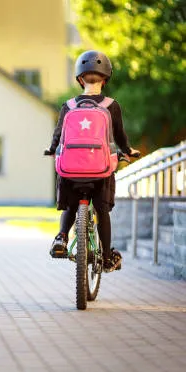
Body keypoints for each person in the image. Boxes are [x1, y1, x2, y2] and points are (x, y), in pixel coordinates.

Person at [45, 50, 140, 271]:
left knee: (71, 201)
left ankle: (61, 238)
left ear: (80, 79)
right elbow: (119, 135)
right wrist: (128, 151)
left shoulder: (68, 105)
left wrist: (51, 150)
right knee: (102, 212)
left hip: (71, 168)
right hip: (100, 169)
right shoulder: (110, 105)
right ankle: (107, 256)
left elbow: (58, 134)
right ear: (105, 79)